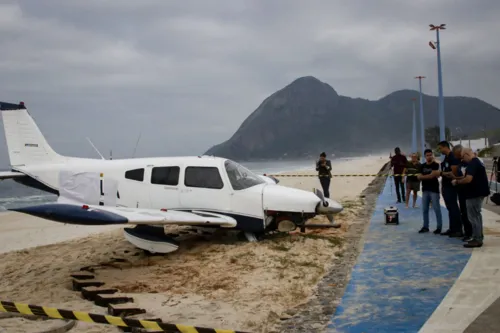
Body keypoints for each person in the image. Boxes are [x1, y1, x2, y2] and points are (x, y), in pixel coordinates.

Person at [452, 148, 490, 248]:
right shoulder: (478, 162)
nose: (463, 160)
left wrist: (458, 182)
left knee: (473, 216)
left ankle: (477, 239)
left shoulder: (473, 163)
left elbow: (468, 179)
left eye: (463, 157)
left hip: (474, 194)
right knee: (476, 215)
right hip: (477, 193)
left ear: (466, 155)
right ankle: (477, 236)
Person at [438, 141, 463, 237]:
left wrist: (441, 173)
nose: (440, 150)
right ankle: (452, 228)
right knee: (449, 208)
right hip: (445, 185)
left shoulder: (452, 157)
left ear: (445, 147)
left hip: (451, 186)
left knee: (453, 207)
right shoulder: (446, 158)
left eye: (440, 148)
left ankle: (458, 229)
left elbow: (454, 173)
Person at [450, 144, 473, 242]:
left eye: (457, 155)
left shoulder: (470, 163)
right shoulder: (460, 163)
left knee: (469, 214)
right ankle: (467, 232)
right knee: (463, 212)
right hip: (461, 191)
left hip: (468, 192)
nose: (456, 157)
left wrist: (456, 179)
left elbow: (467, 177)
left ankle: (471, 233)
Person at [418, 149, 443, 234]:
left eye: (430, 155)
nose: (429, 156)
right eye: (427, 155)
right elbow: (419, 177)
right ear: (425, 156)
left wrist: (424, 177)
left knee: (437, 209)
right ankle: (425, 227)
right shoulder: (422, 166)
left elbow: (433, 176)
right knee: (425, 209)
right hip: (425, 190)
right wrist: (429, 176)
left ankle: (439, 227)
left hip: (434, 190)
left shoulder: (436, 165)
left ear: (432, 155)